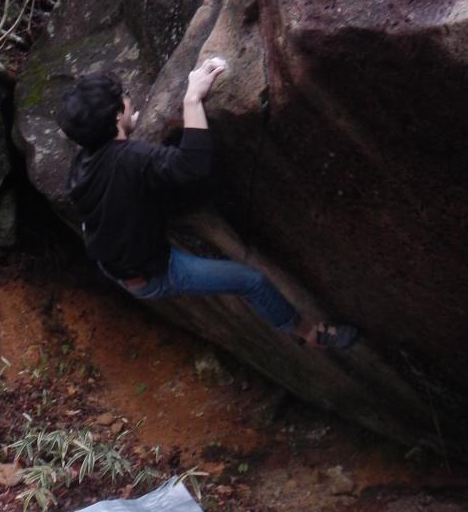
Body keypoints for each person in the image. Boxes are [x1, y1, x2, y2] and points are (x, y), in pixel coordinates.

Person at [57, 58, 357, 348]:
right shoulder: (131, 159)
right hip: (154, 274)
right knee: (251, 282)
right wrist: (192, 99)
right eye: (124, 96)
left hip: (115, 261)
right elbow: (192, 165)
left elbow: (121, 170)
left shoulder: (83, 161)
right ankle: (309, 334)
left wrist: (125, 132)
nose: (129, 98)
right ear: (116, 117)